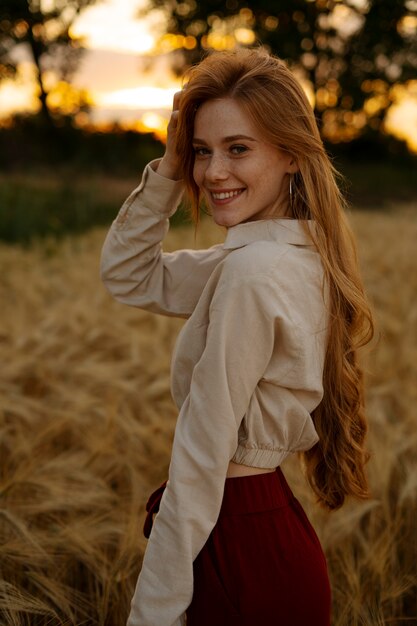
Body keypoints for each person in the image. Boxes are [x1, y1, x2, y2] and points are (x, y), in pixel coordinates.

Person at [100, 47, 374, 626]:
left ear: (293, 154)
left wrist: (151, 613)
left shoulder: (255, 273)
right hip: (266, 528)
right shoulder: (282, 257)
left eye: (238, 149)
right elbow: (131, 274)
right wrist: (171, 168)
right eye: (202, 150)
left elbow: (202, 456)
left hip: (233, 545)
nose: (213, 172)